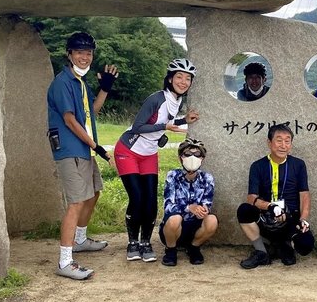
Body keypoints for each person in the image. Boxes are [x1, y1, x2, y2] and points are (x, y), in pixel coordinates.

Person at [46, 32, 119, 280]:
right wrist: (97, 147)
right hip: (70, 149)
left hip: (83, 149)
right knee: (76, 202)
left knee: (93, 193)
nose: (84, 57)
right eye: (79, 52)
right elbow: (69, 120)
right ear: (69, 54)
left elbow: (92, 112)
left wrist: (105, 89)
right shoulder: (62, 82)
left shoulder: (80, 83)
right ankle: (65, 261)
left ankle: (79, 240)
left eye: (88, 53)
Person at [114, 58, 200, 263]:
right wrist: (165, 127)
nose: (183, 81)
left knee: (151, 201)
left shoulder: (177, 100)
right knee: (137, 198)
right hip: (129, 149)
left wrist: (182, 120)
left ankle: (146, 243)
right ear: (170, 78)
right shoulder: (156, 98)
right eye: (179, 76)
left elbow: (166, 122)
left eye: (188, 78)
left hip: (149, 153)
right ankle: (132, 242)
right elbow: (138, 126)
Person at [236, 124, 315, 268]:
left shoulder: (298, 165)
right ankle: (261, 252)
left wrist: (303, 219)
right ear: (269, 142)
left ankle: (283, 245)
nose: (283, 145)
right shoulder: (257, 166)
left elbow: (304, 195)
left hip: (290, 218)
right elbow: (251, 198)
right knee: (244, 210)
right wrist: (270, 206)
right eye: (279, 140)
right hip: (266, 218)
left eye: (287, 141)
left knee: (306, 245)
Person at [159, 138, 218, 266]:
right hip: (173, 228)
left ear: (202, 158)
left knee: (212, 220)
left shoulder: (207, 178)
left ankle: (194, 247)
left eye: (197, 155)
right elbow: (168, 205)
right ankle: (170, 250)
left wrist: (203, 210)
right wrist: (189, 208)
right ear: (181, 157)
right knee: (174, 219)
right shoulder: (172, 176)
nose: (192, 157)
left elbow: (207, 203)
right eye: (188, 154)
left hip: (195, 226)